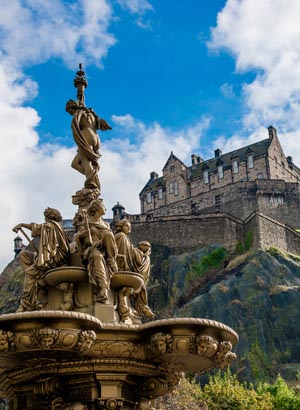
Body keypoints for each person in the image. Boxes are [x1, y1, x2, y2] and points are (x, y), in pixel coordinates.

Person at [12, 207, 69, 311]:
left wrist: (22, 225)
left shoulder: (50, 226)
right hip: (49, 257)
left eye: (45, 216)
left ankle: (27, 304)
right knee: (23, 254)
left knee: (29, 274)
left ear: (48, 216)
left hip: (53, 259)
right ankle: (38, 276)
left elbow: (37, 227)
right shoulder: (57, 227)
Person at [73, 199, 118, 303]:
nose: (105, 208)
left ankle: (111, 260)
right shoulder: (87, 222)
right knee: (97, 256)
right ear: (96, 207)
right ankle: (103, 290)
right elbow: (77, 238)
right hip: (91, 248)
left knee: (109, 234)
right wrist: (83, 234)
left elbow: (110, 241)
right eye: (103, 205)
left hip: (105, 249)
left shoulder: (106, 225)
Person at [66, 99, 111, 191]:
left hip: (86, 136)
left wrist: (75, 129)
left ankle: (91, 183)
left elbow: (75, 123)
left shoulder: (79, 112)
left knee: (86, 162)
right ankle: (93, 177)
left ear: (73, 107)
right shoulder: (91, 115)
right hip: (95, 138)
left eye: (69, 111)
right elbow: (82, 99)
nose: (70, 114)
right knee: (74, 164)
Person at [114, 219, 155, 318]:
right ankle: (143, 306)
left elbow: (130, 250)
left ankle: (142, 307)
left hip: (122, 267)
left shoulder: (122, 238)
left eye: (130, 227)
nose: (129, 229)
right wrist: (143, 254)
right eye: (127, 226)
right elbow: (128, 253)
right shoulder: (121, 237)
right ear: (121, 227)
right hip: (123, 268)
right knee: (146, 261)